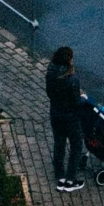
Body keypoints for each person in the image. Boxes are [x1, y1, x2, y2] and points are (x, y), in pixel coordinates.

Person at [44, 46, 86, 192]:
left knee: (59, 143)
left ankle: (59, 175)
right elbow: (76, 102)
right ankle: (70, 180)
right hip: (71, 117)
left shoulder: (51, 72)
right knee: (76, 146)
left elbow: (49, 93)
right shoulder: (72, 78)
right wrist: (82, 98)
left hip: (55, 114)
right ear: (69, 60)